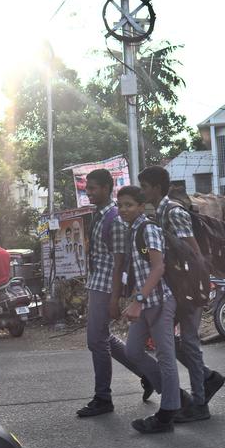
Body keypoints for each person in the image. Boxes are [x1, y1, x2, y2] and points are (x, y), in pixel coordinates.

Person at [138, 166, 225, 421]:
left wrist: (199, 287)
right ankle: (208, 378)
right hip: (174, 286)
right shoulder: (157, 213)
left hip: (188, 287)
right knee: (169, 342)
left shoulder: (173, 213)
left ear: (156, 187)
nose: (143, 192)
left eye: (144, 187)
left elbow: (194, 254)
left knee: (188, 341)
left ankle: (200, 403)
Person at [75, 169, 151, 418]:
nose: (89, 192)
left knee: (96, 341)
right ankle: (147, 373)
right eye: (88, 188)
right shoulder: (99, 215)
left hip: (106, 286)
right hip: (97, 283)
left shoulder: (115, 220)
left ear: (107, 188)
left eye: (94, 188)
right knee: (102, 338)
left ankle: (103, 398)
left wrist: (114, 297)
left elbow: (120, 262)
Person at [115, 185, 181, 434]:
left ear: (141, 207)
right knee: (133, 351)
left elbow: (158, 268)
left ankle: (167, 415)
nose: (123, 209)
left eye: (129, 205)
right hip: (144, 303)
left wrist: (138, 301)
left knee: (166, 357)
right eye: (120, 205)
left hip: (159, 302)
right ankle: (174, 396)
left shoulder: (148, 229)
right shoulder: (133, 231)